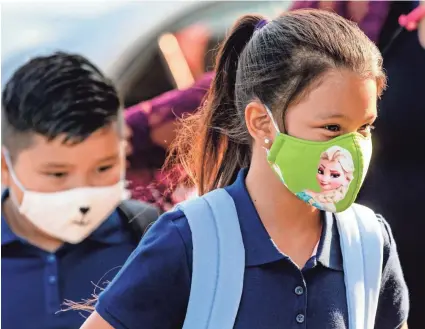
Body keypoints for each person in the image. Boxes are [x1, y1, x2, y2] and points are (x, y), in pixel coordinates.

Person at [81, 10, 408, 329]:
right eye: (332, 127)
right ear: (261, 122)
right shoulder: (189, 238)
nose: (351, 148)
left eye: (364, 127)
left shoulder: (367, 243)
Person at [1, 52, 158, 329]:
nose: (83, 191)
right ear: (5, 166)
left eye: (103, 168)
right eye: (57, 174)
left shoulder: (151, 239)